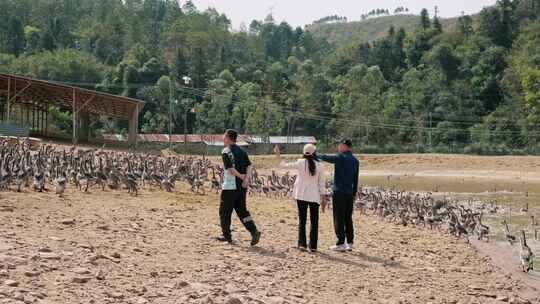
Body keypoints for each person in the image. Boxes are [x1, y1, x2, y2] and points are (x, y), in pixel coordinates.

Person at [275, 144, 326, 252]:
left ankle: (302, 244)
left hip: (301, 195)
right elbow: (321, 184)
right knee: (314, 221)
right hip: (314, 196)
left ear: (304, 152)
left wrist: (278, 154)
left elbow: (283, 165)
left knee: (302, 220)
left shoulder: (300, 162)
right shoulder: (320, 165)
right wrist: (323, 197)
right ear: (314, 153)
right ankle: (313, 246)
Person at [216, 129, 261, 246]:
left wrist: (241, 176)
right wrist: (246, 178)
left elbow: (230, 169)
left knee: (224, 211)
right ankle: (254, 231)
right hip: (242, 187)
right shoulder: (242, 151)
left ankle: (227, 236)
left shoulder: (226, 151)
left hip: (230, 187)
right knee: (242, 211)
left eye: (224, 136)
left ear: (228, 138)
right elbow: (249, 166)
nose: (222, 138)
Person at [318, 139, 359, 252]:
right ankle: (349, 243)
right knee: (348, 218)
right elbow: (356, 179)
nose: (338, 147)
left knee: (338, 217)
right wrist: (354, 193)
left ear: (345, 146)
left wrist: (314, 153)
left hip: (339, 192)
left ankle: (340, 243)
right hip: (349, 193)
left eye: (340, 145)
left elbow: (326, 157)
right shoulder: (355, 161)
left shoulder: (340, 157)